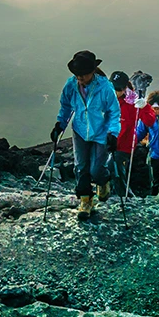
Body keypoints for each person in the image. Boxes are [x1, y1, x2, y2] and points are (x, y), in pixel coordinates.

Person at [52, 51, 121, 220]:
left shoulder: (105, 88)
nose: (79, 78)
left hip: (100, 133)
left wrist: (113, 133)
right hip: (80, 131)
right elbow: (66, 106)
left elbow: (114, 112)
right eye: (77, 75)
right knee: (81, 167)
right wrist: (60, 124)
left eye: (82, 75)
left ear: (92, 72)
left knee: (96, 170)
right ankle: (85, 201)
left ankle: (103, 181)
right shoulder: (71, 86)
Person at [108, 71, 143, 198]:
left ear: (124, 89)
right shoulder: (106, 98)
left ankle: (125, 196)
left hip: (124, 145)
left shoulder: (132, 102)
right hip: (109, 142)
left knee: (113, 166)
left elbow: (148, 119)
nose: (115, 91)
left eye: (118, 89)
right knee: (111, 167)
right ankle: (117, 194)